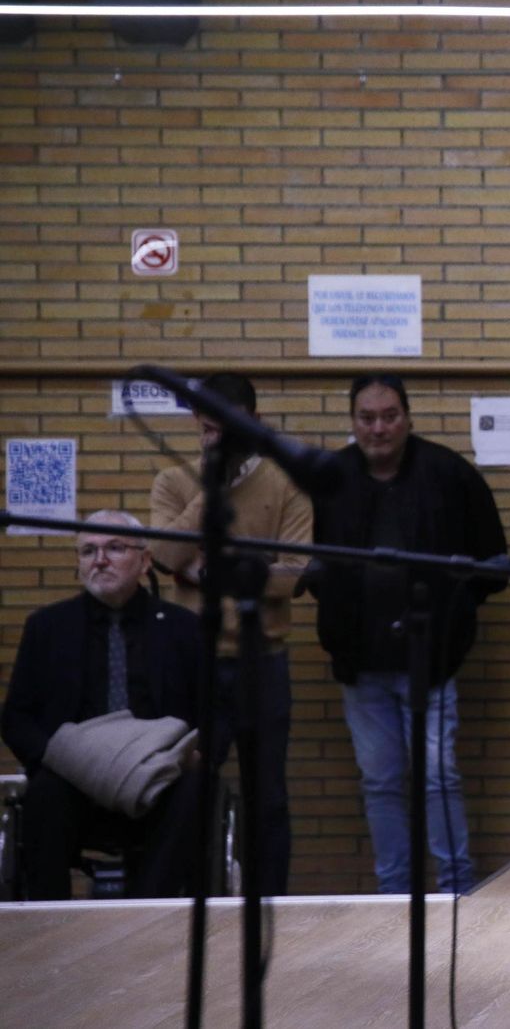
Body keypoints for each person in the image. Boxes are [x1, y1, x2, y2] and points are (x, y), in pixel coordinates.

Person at [306, 375, 506, 894]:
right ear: (352, 422)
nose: (378, 428)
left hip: (432, 663)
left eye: (389, 415)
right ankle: (393, 895)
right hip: (360, 664)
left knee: (438, 778)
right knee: (381, 784)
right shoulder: (330, 478)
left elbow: (494, 563)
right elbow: (305, 562)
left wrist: (454, 609)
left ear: (408, 417)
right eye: (367, 418)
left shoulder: (448, 473)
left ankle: (456, 891)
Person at [148, 372, 311, 896]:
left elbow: (292, 577)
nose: (217, 440)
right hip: (193, 657)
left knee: (269, 797)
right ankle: (186, 902)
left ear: (254, 424)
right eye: (208, 430)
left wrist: (214, 567)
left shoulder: (288, 484)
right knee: (187, 788)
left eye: (230, 431)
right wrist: (210, 492)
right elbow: (165, 556)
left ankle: (270, 904)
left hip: (262, 658)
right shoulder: (174, 483)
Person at [0, 510, 204, 899]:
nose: (100, 560)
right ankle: (48, 925)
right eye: (88, 551)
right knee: (42, 794)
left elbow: (217, 709)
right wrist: (57, 756)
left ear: (145, 562)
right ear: (78, 565)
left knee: (196, 789)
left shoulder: (183, 628)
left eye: (114, 547)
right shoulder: (47, 627)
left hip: (159, 775)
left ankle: (146, 914)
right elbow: (16, 718)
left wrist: (200, 752)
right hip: (73, 778)